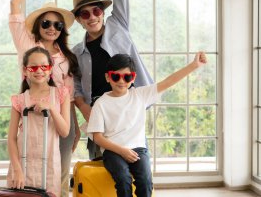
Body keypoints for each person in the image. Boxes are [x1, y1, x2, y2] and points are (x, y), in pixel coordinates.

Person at [87, 52, 207, 197]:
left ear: (133, 78)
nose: (121, 81)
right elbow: (98, 137)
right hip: (113, 151)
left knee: (145, 181)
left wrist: (194, 65)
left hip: (138, 149)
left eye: (127, 77)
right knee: (123, 179)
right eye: (116, 76)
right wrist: (122, 151)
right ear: (108, 77)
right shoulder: (101, 104)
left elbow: (168, 82)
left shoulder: (140, 95)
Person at [64, 0, 153, 159]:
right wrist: (83, 107)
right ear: (79, 20)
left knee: (135, 166)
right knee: (100, 167)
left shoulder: (118, 25)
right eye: (85, 14)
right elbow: (75, 85)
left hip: (128, 107)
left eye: (96, 11)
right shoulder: (77, 52)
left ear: (102, 13)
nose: (92, 17)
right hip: (99, 112)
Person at [9, 0, 81, 197]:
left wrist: (75, 127)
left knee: (58, 177)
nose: (52, 28)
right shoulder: (27, 45)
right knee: (31, 175)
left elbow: (68, 95)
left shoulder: (67, 56)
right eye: (46, 23)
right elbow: (14, 4)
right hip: (34, 116)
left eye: (57, 24)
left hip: (62, 118)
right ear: (38, 25)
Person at [7, 47, 71, 197]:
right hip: (23, 164)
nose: (39, 71)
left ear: (50, 69)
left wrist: (51, 108)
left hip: (49, 164)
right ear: (25, 70)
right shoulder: (20, 99)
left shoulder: (61, 94)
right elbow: (11, 138)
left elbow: (64, 131)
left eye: (44, 66)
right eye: (33, 67)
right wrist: (17, 170)